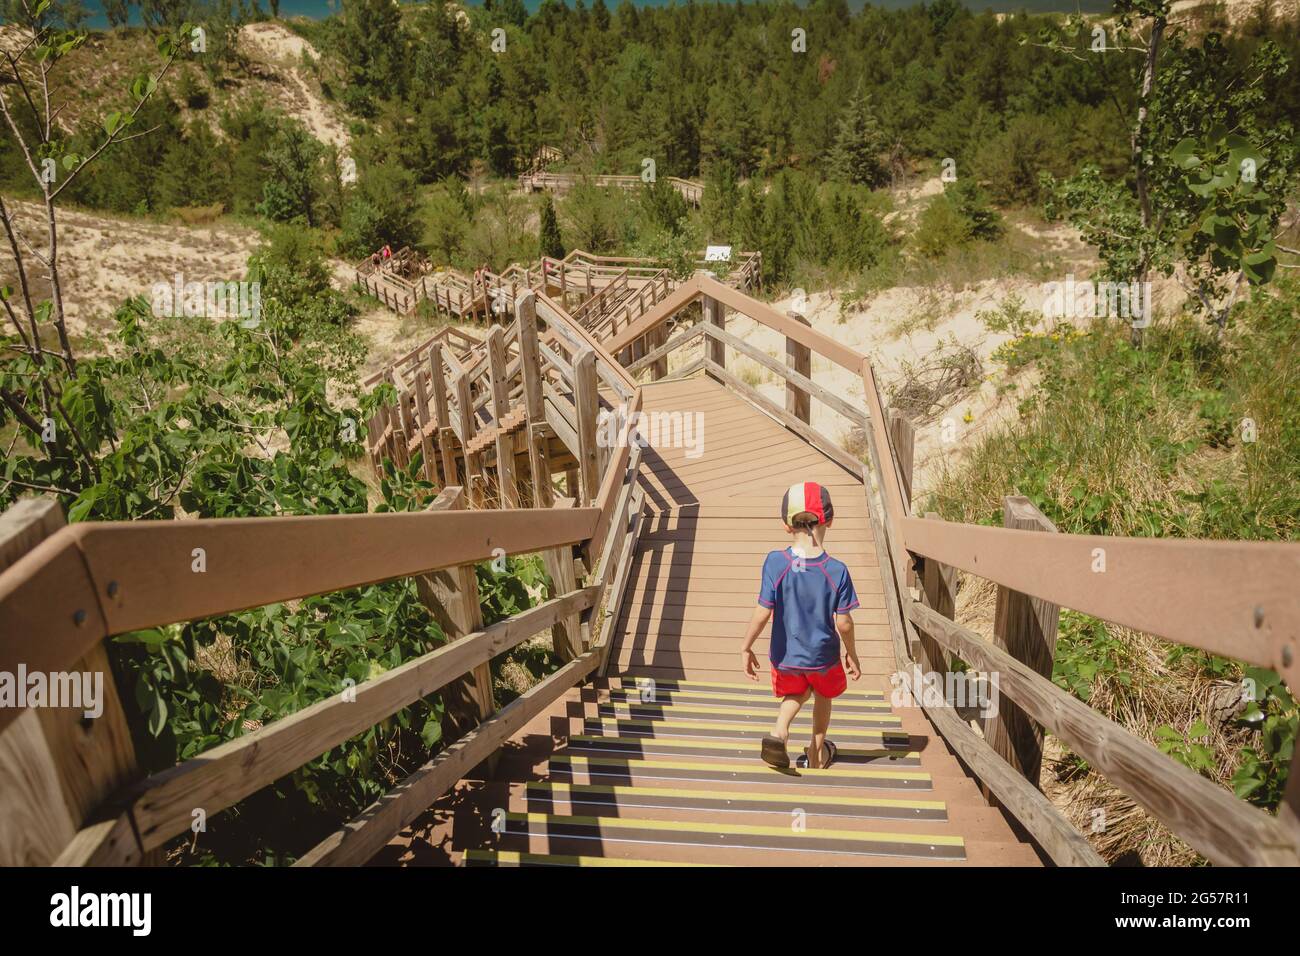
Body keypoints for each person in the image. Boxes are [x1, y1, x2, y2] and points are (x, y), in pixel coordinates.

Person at [740, 481, 862, 769]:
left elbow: (763, 611)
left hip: (785, 657)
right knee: (822, 693)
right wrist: (852, 654)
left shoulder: (775, 563)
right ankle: (816, 754)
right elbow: (843, 623)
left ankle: (779, 731)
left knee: (797, 692)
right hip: (822, 658)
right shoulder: (836, 571)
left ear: (786, 524)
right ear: (829, 520)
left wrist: (746, 647)